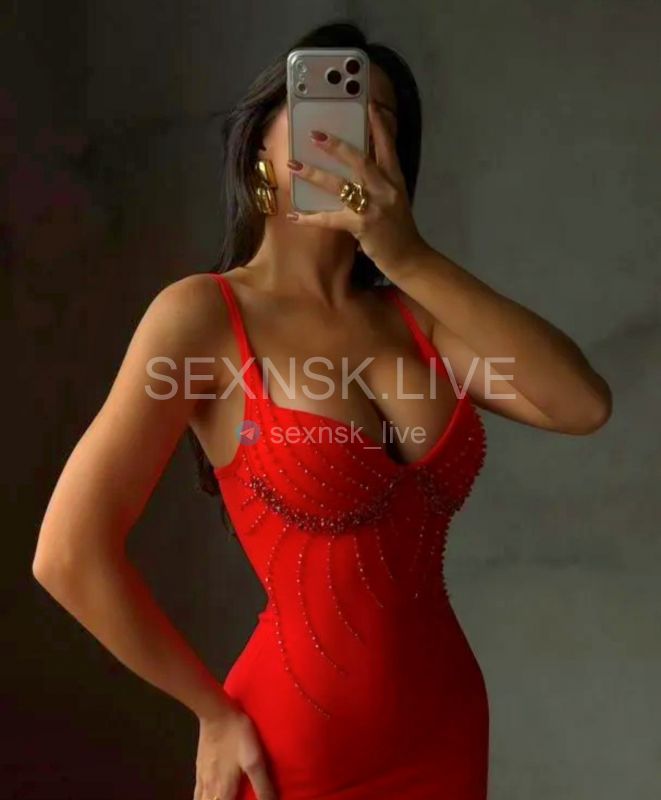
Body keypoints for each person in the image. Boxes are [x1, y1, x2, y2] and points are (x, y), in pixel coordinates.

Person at [32, 21, 612, 800]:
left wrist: (407, 255)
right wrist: (210, 712)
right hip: (289, 746)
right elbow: (67, 553)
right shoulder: (203, 319)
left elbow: (580, 404)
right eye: (325, 111)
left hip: (445, 732)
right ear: (258, 147)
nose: (348, 138)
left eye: (378, 123)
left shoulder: (418, 318)